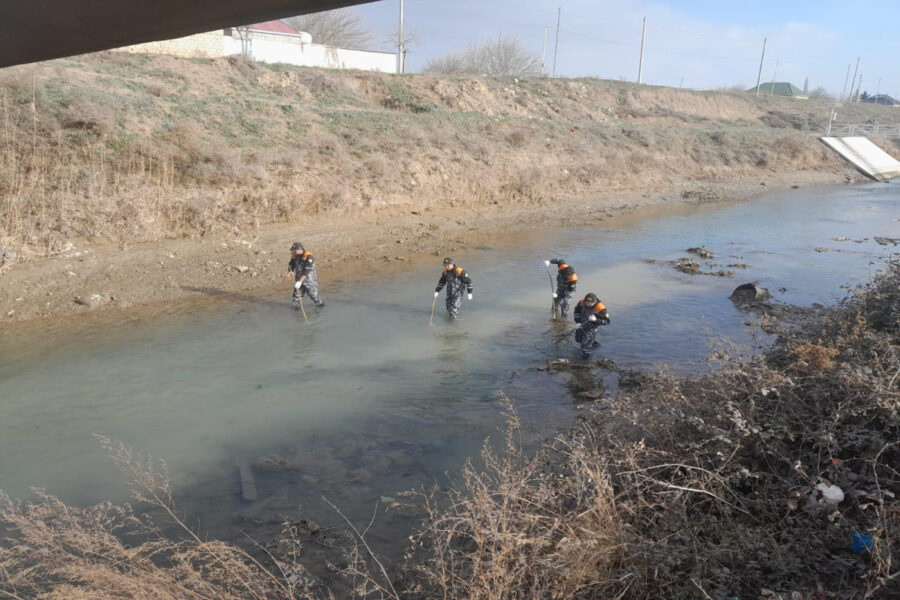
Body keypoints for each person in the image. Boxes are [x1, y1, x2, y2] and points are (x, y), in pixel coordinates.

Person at [285, 242, 324, 309]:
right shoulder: (294, 255)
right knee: (296, 297)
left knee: (313, 295)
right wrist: (290, 272)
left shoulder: (308, 256)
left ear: (300, 249)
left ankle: (321, 306)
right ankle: (296, 312)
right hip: (298, 278)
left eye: (295, 250)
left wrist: (300, 282)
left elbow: (307, 271)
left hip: (309, 279)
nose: (293, 252)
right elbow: (291, 264)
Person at [573, 293, 610, 358]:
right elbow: (577, 311)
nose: (587, 304)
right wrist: (577, 322)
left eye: (590, 303)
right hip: (582, 324)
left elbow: (607, 321)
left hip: (592, 328)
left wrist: (596, 320)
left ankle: (587, 360)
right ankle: (593, 344)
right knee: (578, 339)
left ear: (595, 302)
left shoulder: (600, 308)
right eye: (586, 302)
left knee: (585, 346)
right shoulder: (582, 302)